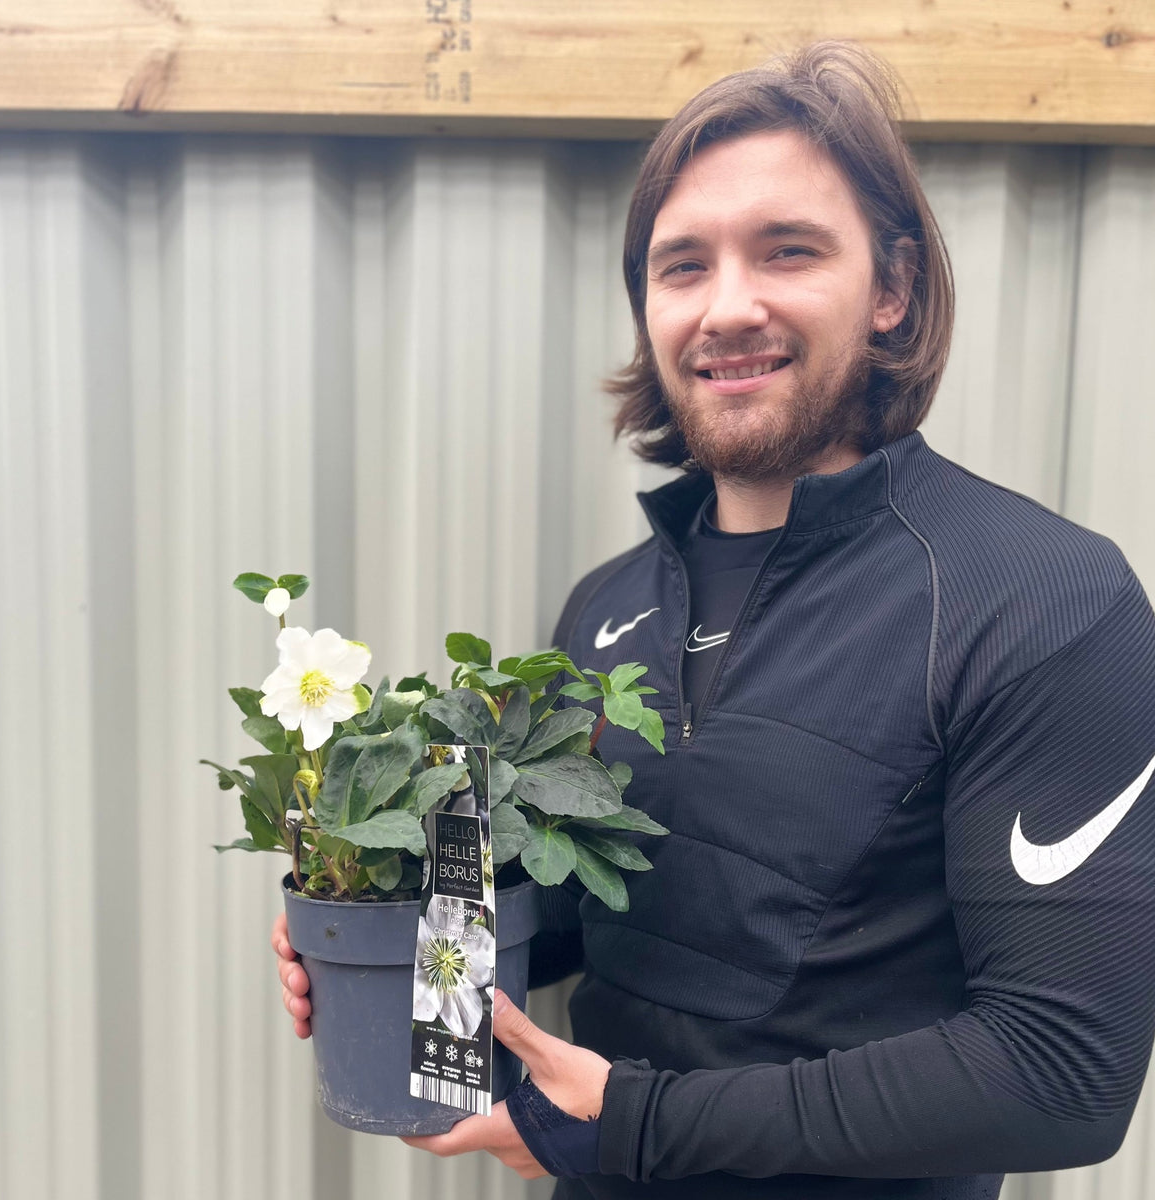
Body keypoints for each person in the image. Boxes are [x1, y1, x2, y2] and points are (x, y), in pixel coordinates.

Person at [273, 41, 1155, 1199]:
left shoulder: (1043, 599)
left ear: (891, 290)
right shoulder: (605, 609)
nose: (728, 305)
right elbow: (612, 916)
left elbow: (1062, 1073)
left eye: (787, 250)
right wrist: (379, 927)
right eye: (682, 265)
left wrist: (632, 1123)